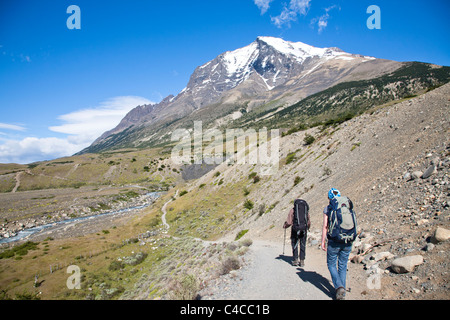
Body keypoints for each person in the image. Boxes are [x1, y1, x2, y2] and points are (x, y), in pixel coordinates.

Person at [321, 188, 356, 300]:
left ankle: (339, 287)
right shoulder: (347, 206)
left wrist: (323, 241)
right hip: (348, 239)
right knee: (342, 265)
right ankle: (342, 292)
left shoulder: (329, 208)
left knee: (331, 264)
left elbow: (325, 226)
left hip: (334, 241)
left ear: (329, 198)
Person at [283, 198, 310, 267]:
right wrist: (307, 227)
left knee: (294, 243)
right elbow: (308, 220)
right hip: (304, 229)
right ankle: (302, 260)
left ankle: (295, 260)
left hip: (295, 229)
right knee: (302, 244)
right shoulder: (305, 210)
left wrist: (285, 226)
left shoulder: (293, 210)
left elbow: (289, 222)